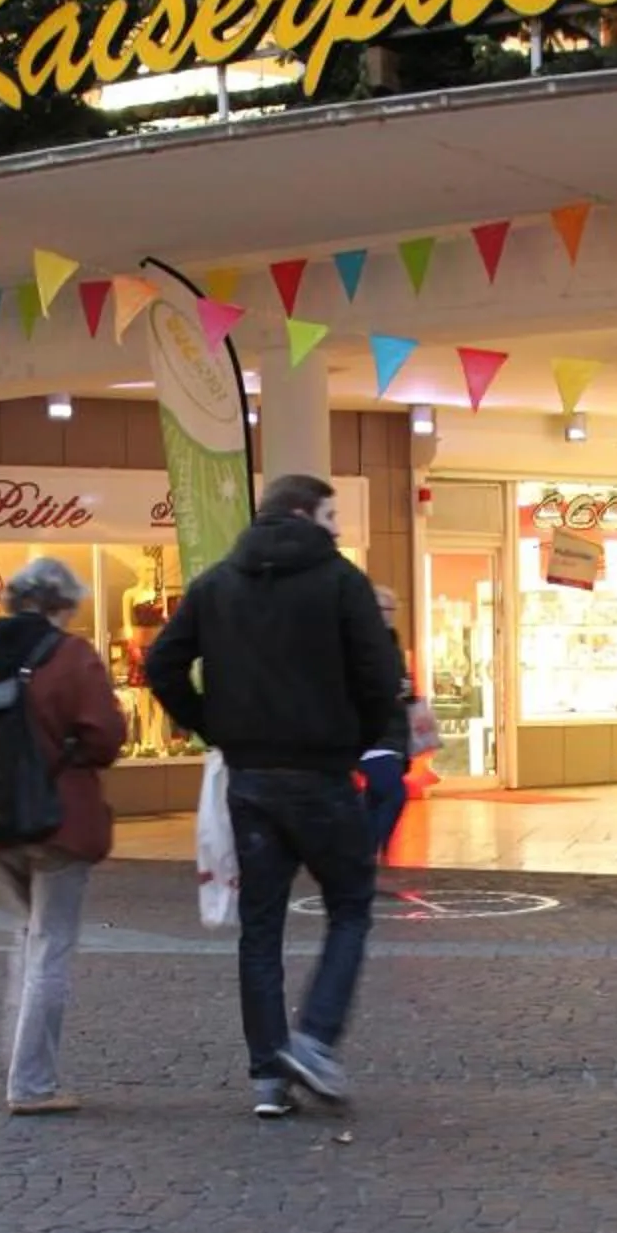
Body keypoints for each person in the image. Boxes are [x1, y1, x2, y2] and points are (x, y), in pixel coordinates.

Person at [146, 474, 399, 1119]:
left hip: (251, 778)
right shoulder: (341, 582)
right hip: (321, 775)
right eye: (331, 515)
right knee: (350, 905)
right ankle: (313, 1039)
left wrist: (212, 725)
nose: (338, 528)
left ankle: (268, 1076)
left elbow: (161, 664)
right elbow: (380, 676)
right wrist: (360, 741)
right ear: (305, 514)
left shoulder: (216, 584)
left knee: (260, 925)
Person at [0, 558, 125, 1115]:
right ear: (61, 605)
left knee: (29, 937)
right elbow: (106, 734)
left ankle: (20, 1061)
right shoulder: (71, 656)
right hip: (56, 820)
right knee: (50, 945)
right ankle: (31, 1083)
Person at [360, 584, 415, 871]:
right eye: (385, 608)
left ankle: (366, 851)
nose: (391, 614)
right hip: (374, 734)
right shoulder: (364, 643)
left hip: (391, 732)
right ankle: (368, 851)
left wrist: (406, 692)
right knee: (393, 792)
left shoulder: (390, 644)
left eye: (394, 608)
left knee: (376, 795)